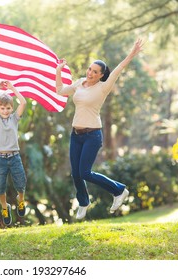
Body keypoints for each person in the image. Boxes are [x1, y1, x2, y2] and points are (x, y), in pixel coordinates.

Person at [56, 39, 144, 220]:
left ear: (101, 75)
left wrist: (132, 54)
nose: (90, 73)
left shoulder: (104, 87)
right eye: (90, 69)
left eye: (95, 72)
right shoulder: (80, 83)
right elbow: (60, 91)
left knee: (85, 172)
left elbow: (119, 69)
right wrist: (58, 71)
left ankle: (119, 190)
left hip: (92, 135)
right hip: (76, 134)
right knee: (76, 173)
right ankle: (83, 202)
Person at [0, 81, 27, 226]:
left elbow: (23, 103)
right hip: (0, 159)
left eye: (8, 108)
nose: (5, 111)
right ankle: (5, 207)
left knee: (21, 184)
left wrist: (12, 89)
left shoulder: (14, 118)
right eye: (2, 108)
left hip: (14, 157)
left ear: (11, 108)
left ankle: (20, 200)